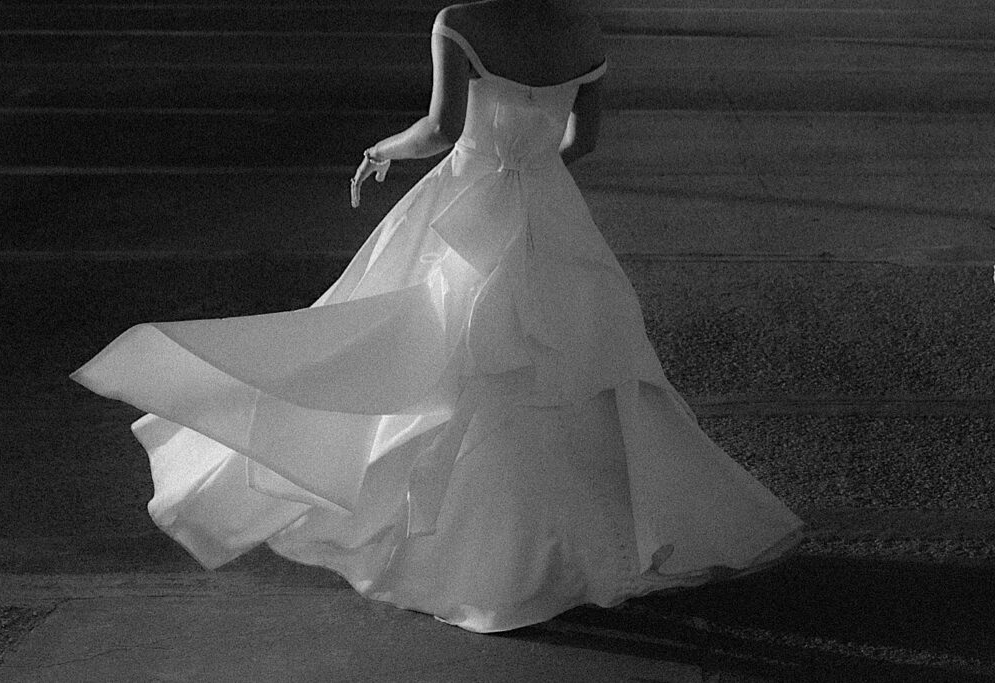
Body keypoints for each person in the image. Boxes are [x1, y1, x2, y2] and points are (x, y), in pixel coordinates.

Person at [71, 0, 803, 633]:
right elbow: (586, 142)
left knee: (425, 352)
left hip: (466, 205)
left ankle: (477, 557)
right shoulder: (582, 29)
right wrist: (532, 176)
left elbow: (439, 128)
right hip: (547, 209)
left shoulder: (460, 23)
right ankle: (574, 545)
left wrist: (382, 150)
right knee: (570, 366)